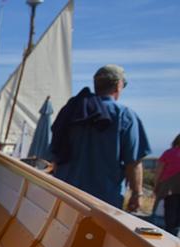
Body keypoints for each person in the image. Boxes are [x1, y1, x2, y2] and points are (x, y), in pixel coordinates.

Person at [50, 65, 151, 210]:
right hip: (103, 201)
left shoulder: (72, 111)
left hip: (66, 194)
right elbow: (133, 162)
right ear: (118, 85)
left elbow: (54, 154)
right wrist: (137, 194)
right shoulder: (124, 115)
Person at [155, 134, 180, 235]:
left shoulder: (168, 153)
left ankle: (168, 233)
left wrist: (156, 185)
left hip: (168, 188)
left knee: (169, 211)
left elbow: (159, 171)